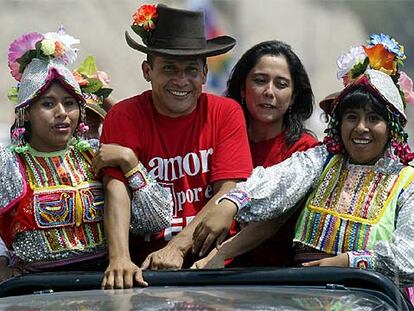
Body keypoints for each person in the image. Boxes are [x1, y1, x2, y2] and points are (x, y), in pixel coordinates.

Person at [192, 33, 414, 293]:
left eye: (374, 119)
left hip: (372, 299)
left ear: (392, 129)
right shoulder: (321, 160)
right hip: (305, 296)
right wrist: (233, 202)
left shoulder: (407, 183)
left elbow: (408, 257)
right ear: (338, 124)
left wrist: (347, 263)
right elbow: (281, 180)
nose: (361, 128)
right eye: (351, 117)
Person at [100, 4, 252, 289]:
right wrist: (119, 258)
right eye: (169, 68)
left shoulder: (226, 112)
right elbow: (115, 187)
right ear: (148, 71)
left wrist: (179, 247)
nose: (181, 81)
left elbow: (228, 190)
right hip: (144, 273)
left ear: (205, 74)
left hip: (212, 268)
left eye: (191, 70)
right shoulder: (124, 115)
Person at [0, 29, 170, 281]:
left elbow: (155, 220)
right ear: (26, 112)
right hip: (34, 290)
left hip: (105, 283)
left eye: (70, 104)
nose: (62, 113)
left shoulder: (96, 154)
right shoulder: (9, 163)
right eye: (48, 104)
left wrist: (131, 165)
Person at [221, 40, 318, 267]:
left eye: (281, 84)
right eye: (260, 81)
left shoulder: (305, 151)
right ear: (243, 89)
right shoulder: (220, 139)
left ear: (293, 96)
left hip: (275, 281)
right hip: (210, 276)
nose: (269, 92)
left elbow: (275, 218)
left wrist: (217, 257)